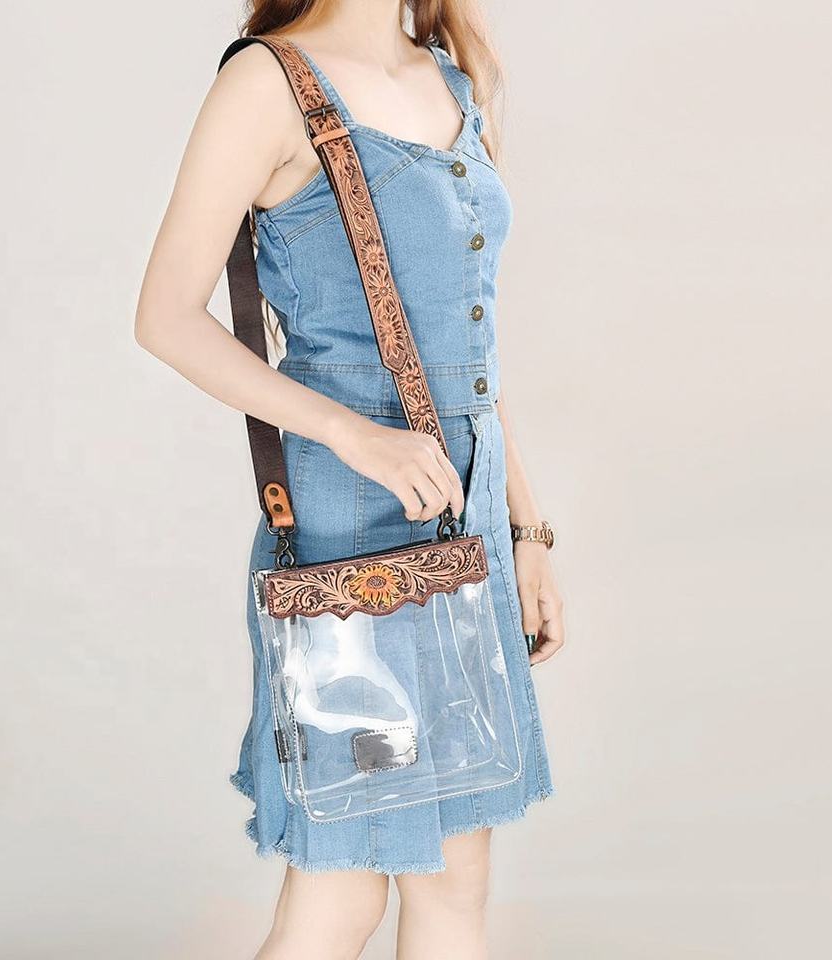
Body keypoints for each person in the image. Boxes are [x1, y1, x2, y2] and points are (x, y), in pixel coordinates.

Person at [135, 1, 564, 956]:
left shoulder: (449, 76)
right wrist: (350, 432)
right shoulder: (266, 82)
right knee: (344, 888)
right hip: (354, 520)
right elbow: (165, 315)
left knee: (457, 876)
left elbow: (468, 356)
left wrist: (528, 529)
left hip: (467, 516)